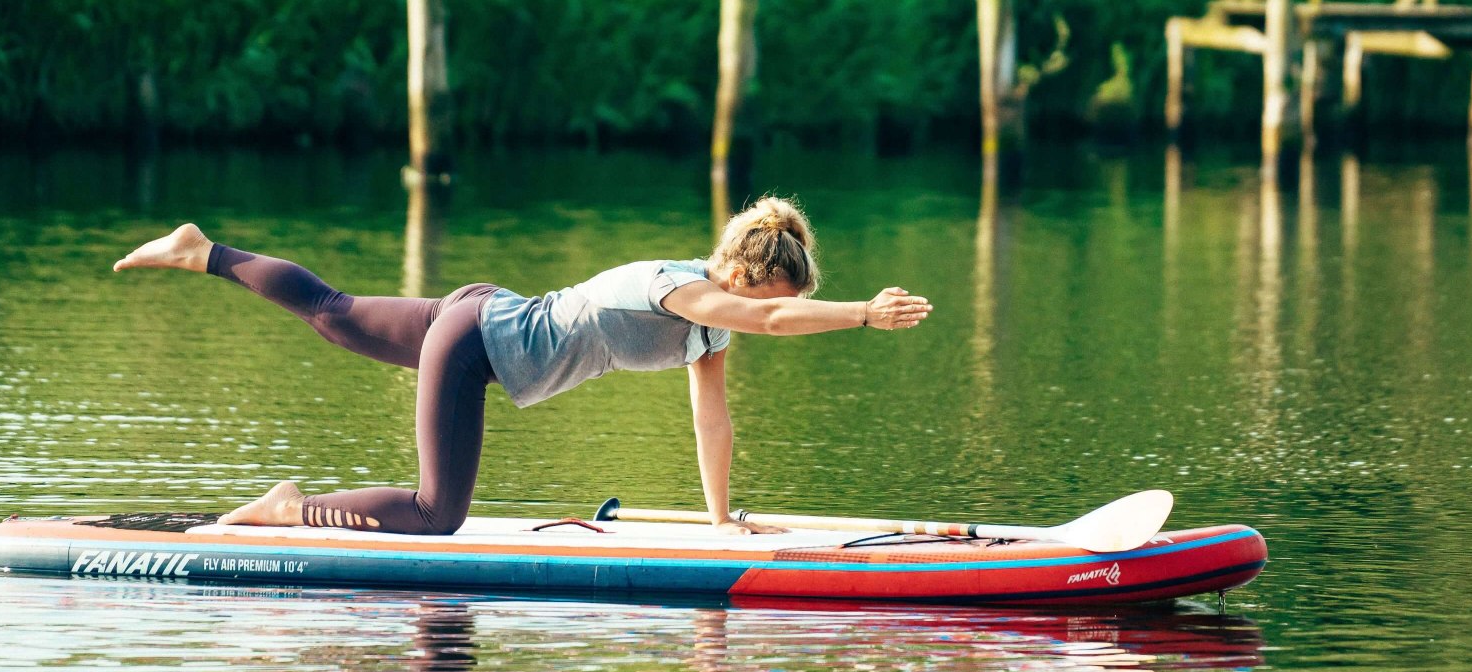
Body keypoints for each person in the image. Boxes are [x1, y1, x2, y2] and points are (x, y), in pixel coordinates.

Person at [111, 197, 930, 536]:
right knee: (437, 514)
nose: (764, 313)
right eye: (772, 293)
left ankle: (203, 252)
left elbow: (711, 419)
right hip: (476, 343)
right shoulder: (682, 290)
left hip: (484, 314)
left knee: (334, 313)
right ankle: (294, 507)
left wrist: (720, 523)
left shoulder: (709, 331)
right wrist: (862, 313)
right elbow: (770, 316)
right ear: (748, 274)